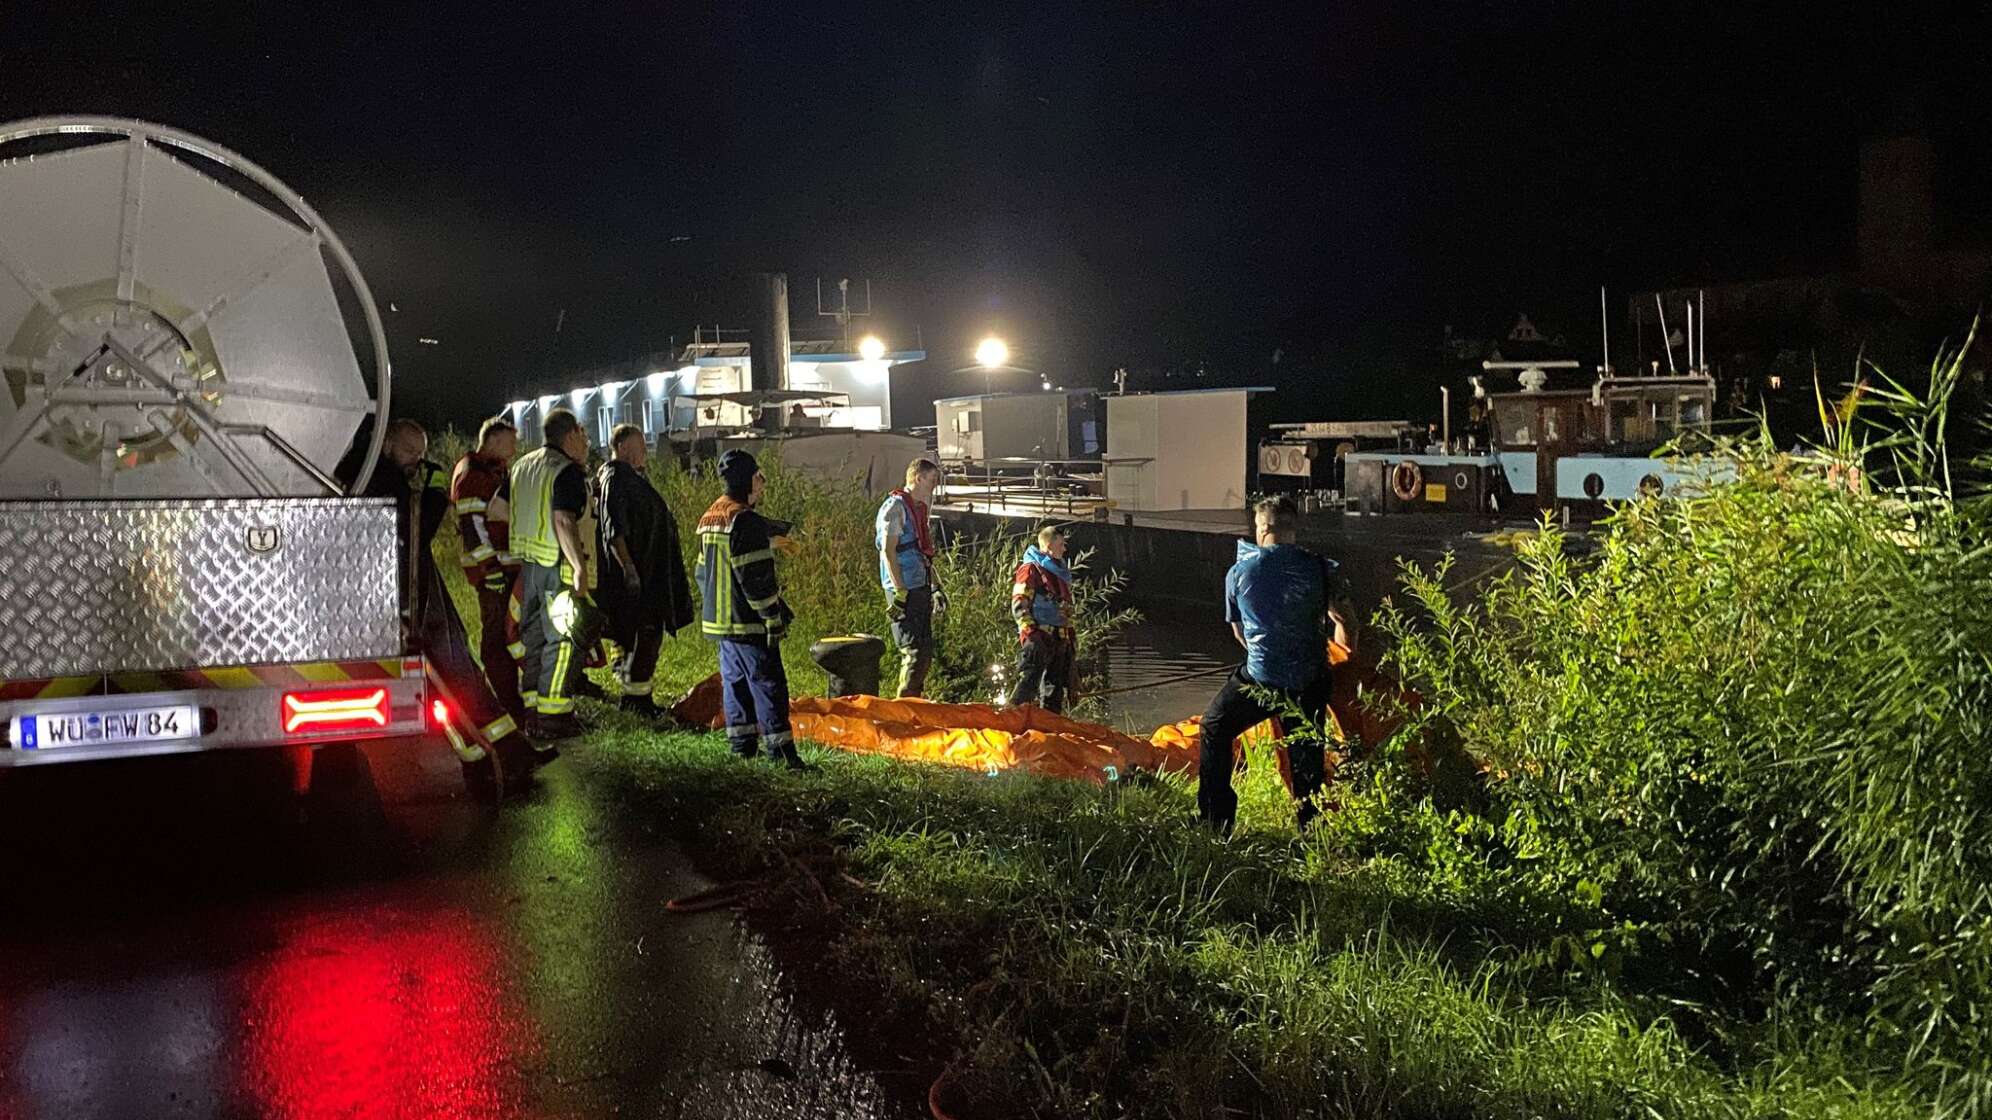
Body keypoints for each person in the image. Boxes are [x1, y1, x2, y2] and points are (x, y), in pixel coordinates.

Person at [354, 418, 546, 795]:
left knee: (450, 674)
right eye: (412, 452)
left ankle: (483, 757)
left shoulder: (369, 470)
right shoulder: (384, 478)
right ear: (389, 444)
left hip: (413, 587)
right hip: (414, 591)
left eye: (422, 455)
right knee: (457, 667)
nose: (417, 461)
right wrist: (436, 494)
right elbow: (414, 532)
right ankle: (505, 754)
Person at [1196, 495, 1358, 835]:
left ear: (1263, 528)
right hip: (1309, 680)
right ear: (1291, 529)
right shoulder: (1320, 568)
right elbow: (1346, 621)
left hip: (1261, 679)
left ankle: (1216, 820)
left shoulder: (1239, 572)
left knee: (1214, 727)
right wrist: (1341, 663)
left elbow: (1240, 632)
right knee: (1307, 755)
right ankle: (1311, 832)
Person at [695, 450, 806, 769]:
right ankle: (782, 755)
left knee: (736, 683)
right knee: (768, 684)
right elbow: (756, 580)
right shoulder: (745, 520)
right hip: (748, 623)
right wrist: (772, 618)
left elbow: (702, 572)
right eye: (759, 476)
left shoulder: (712, 516)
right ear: (747, 479)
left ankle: (742, 745)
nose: (763, 483)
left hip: (722, 623)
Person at [595, 423, 694, 719]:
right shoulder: (615, 478)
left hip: (650, 570)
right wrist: (629, 568)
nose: (644, 453)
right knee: (644, 633)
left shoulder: (632, 479)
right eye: (638, 447)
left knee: (647, 633)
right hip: (639, 571)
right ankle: (637, 701)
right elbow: (615, 529)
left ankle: (640, 696)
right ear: (622, 447)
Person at [506, 407, 593, 741]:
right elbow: (563, 520)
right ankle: (555, 718)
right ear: (570, 434)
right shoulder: (565, 470)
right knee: (563, 641)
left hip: (527, 568)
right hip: (555, 568)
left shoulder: (522, 466)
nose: (586, 442)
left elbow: (501, 508)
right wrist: (579, 567)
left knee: (533, 642)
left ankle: (532, 711)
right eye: (583, 434)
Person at [450, 417, 524, 721]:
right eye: (510, 441)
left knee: (509, 635)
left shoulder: (492, 471)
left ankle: (510, 698)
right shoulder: (472, 476)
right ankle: (504, 702)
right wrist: (490, 569)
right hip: (491, 574)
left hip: (504, 569)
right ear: (493, 440)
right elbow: (472, 528)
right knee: (495, 638)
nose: (514, 448)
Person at [875, 458, 946, 698]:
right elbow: (888, 550)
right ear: (918, 478)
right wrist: (899, 590)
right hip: (904, 587)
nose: (935, 485)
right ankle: (904, 706)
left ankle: (915, 701)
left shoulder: (917, 508)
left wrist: (936, 587)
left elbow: (923, 552)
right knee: (913, 650)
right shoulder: (895, 508)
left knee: (924, 650)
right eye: (932, 480)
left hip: (920, 584)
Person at [1008, 525, 1077, 713]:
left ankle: (1048, 731)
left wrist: (1069, 636)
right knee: (1027, 685)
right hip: (1039, 637)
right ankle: (1012, 721)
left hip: (1059, 638)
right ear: (1048, 545)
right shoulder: (1031, 569)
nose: (1064, 549)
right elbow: (1019, 602)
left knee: (1054, 692)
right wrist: (1030, 633)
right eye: (1061, 544)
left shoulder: (1059, 573)